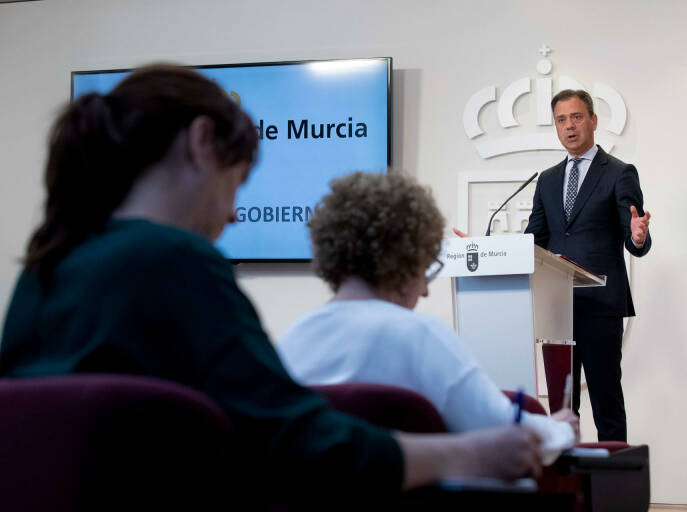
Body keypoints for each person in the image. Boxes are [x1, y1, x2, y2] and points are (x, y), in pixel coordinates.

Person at [0, 64, 545, 504]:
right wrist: (469, 454)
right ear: (202, 140)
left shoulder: (43, 271)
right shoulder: (176, 261)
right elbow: (304, 446)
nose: (234, 215)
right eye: (236, 183)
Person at [278, 171, 579, 463]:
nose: (424, 291)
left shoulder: (289, 344)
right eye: (425, 268)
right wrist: (561, 428)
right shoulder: (420, 336)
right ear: (406, 258)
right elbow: (506, 431)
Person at [523, 89, 652, 442]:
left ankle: (615, 492)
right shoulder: (547, 179)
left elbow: (633, 235)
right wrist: (493, 248)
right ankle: (569, 489)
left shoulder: (619, 173)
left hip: (599, 307)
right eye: (561, 120)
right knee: (562, 409)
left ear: (593, 121)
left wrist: (638, 237)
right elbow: (533, 239)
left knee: (606, 402)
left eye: (576, 117)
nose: (569, 126)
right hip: (556, 308)